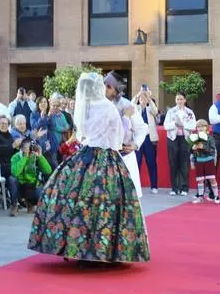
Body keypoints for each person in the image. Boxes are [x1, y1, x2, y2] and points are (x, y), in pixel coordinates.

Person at [28, 72, 150, 267]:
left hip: (84, 158)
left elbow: (82, 134)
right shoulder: (108, 107)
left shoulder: (83, 108)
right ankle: (107, 250)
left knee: (80, 202)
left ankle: (77, 248)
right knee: (108, 204)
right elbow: (117, 138)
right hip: (107, 158)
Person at [105, 71, 148, 199]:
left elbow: (141, 128)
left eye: (108, 86)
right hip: (105, 158)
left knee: (129, 198)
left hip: (125, 157)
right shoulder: (98, 105)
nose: (104, 89)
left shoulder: (127, 105)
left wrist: (136, 144)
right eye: (104, 85)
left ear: (117, 90)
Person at [163, 92, 196, 196]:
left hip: (185, 139)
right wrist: (175, 124)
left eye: (181, 99)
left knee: (184, 163)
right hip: (173, 138)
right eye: (178, 99)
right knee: (173, 163)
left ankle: (184, 188)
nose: (179, 101)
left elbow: (193, 126)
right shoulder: (171, 111)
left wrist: (183, 124)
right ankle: (174, 188)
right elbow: (165, 125)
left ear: (185, 100)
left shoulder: (189, 112)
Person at [10, 138, 52, 213]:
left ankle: (30, 204)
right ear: (22, 148)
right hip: (20, 186)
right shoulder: (16, 157)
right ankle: (14, 204)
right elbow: (15, 173)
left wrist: (40, 156)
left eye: (31, 147)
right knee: (12, 179)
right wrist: (25, 157)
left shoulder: (35, 156)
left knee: (40, 191)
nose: (30, 150)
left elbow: (48, 170)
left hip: (32, 185)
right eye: (28, 148)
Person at [132, 87, 159, 194]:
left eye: (145, 97)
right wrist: (139, 94)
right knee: (137, 162)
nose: (143, 99)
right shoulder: (136, 108)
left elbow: (156, 111)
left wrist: (149, 97)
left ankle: (154, 186)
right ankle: (136, 186)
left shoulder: (150, 109)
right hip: (138, 139)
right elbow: (131, 104)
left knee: (151, 162)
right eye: (141, 98)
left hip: (149, 138)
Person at [187, 119, 220, 204]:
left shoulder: (210, 138)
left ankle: (216, 196)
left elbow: (213, 151)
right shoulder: (194, 138)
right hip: (199, 161)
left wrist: (203, 147)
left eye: (203, 126)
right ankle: (200, 197)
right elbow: (191, 152)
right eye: (198, 126)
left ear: (207, 127)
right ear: (196, 128)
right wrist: (192, 149)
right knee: (200, 180)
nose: (200, 128)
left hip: (209, 161)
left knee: (212, 179)